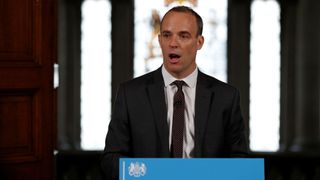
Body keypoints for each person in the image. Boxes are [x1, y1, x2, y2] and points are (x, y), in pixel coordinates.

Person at [101, 6, 249, 179]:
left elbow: (240, 161)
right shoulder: (131, 94)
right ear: (159, 40)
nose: (173, 43)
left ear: (199, 42)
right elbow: (111, 160)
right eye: (167, 35)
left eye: (183, 36)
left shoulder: (226, 97)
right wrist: (146, 172)